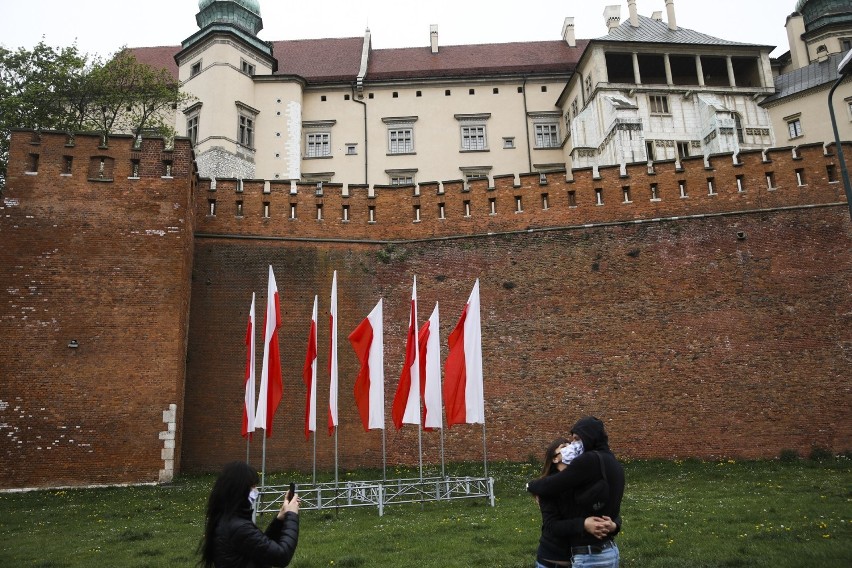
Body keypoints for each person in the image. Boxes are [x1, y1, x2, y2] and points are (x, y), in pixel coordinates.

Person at [527, 417, 624, 568]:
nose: (572, 446)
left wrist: (531, 485)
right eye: (566, 445)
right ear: (554, 458)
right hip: (566, 556)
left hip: (589, 555)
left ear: (589, 437)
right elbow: (552, 525)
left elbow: (606, 511)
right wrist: (588, 524)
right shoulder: (608, 463)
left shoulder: (587, 465)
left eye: (576, 440)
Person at [198, 461, 300, 568]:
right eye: (252, 486)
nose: (255, 490)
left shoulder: (228, 520)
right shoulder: (239, 527)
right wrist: (292, 515)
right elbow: (281, 556)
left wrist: (279, 520)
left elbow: (259, 547)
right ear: (240, 490)